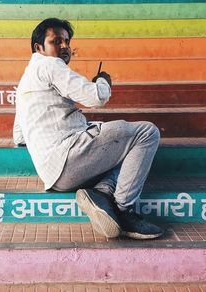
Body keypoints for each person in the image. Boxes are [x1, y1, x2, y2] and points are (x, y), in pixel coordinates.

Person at [13, 18, 163, 240]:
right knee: (146, 133)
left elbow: (18, 137)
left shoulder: (24, 83)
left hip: (53, 176)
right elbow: (96, 97)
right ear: (39, 48)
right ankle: (124, 210)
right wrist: (103, 81)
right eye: (56, 41)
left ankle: (101, 194)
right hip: (69, 158)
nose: (65, 47)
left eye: (67, 41)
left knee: (124, 144)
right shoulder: (49, 64)